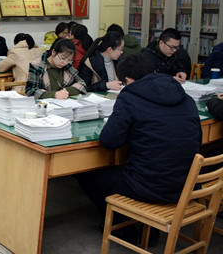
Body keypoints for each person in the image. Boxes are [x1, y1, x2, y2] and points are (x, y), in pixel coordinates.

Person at [76, 54, 201, 222]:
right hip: (186, 183)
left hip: (150, 186)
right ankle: (142, 228)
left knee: (87, 176)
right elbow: (197, 138)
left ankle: (124, 228)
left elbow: (109, 141)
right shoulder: (186, 98)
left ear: (128, 80)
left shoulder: (129, 97)